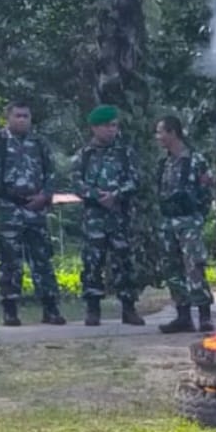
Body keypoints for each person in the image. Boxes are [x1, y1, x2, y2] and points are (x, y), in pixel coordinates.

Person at [0, 101, 65, 328]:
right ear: (7, 117)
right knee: (9, 261)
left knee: (42, 259)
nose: (22, 120)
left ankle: (50, 308)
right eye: (18, 115)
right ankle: (10, 310)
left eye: (26, 116)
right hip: (7, 209)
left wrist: (44, 196)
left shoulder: (40, 143)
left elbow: (52, 173)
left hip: (36, 209)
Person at [74, 105, 144, 327]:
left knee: (124, 262)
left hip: (119, 217)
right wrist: (96, 196)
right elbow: (76, 183)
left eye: (114, 125)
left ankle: (129, 308)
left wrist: (116, 194)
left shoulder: (125, 153)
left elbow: (136, 180)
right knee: (92, 262)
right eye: (106, 126)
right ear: (95, 128)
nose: (111, 130)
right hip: (94, 218)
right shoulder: (84, 155)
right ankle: (93, 309)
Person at [153, 115, 215, 335]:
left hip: (189, 221)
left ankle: (205, 316)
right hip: (168, 223)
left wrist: (197, 217)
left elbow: (207, 191)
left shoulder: (195, 160)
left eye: (161, 132)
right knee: (172, 269)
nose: (158, 137)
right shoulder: (164, 163)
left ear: (173, 133)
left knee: (194, 267)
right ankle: (183, 316)